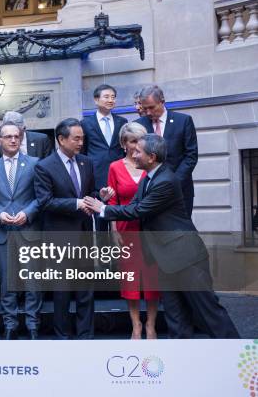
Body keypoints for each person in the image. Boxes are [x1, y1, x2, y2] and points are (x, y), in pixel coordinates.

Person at [85, 134, 239, 339]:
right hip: (164, 258)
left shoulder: (165, 180)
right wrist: (104, 205)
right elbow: (132, 206)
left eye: (138, 151)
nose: (134, 154)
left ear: (152, 157)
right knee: (176, 317)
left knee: (208, 312)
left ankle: (241, 360)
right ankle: (181, 360)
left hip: (186, 258)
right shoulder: (149, 178)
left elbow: (138, 210)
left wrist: (102, 209)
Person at [34, 118, 111, 340]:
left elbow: (90, 193)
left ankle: (86, 337)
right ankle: (63, 339)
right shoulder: (44, 166)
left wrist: (100, 197)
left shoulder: (86, 162)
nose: (80, 142)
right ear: (61, 139)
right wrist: (77, 203)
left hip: (85, 235)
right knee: (62, 293)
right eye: (76, 138)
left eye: (82, 138)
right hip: (59, 239)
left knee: (86, 291)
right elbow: (45, 202)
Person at [0, 122, 42, 340]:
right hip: (3, 231)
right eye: (8, 137)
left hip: (29, 229)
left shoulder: (35, 163)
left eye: (16, 136)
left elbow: (40, 197)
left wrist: (27, 213)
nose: (13, 140)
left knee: (32, 282)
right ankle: (10, 324)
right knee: (8, 282)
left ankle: (33, 324)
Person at [106, 122, 159, 339]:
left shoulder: (152, 164)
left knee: (152, 279)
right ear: (124, 144)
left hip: (151, 229)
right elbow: (112, 202)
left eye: (140, 140)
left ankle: (151, 325)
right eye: (133, 141)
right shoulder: (114, 167)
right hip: (126, 229)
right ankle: (136, 324)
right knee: (130, 280)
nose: (138, 145)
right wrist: (114, 230)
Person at [136, 85, 198, 216]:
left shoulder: (183, 121)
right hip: (150, 193)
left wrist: (173, 182)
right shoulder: (138, 125)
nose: (148, 112)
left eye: (151, 107)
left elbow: (191, 156)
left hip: (180, 190)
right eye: (144, 108)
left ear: (162, 101)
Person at [80, 84, 127, 233]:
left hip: (119, 177)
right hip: (97, 180)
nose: (110, 100)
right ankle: (104, 255)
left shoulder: (122, 122)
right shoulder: (85, 123)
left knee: (120, 221)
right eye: (106, 97)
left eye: (113, 97)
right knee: (100, 224)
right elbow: (83, 152)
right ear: (96, 100)